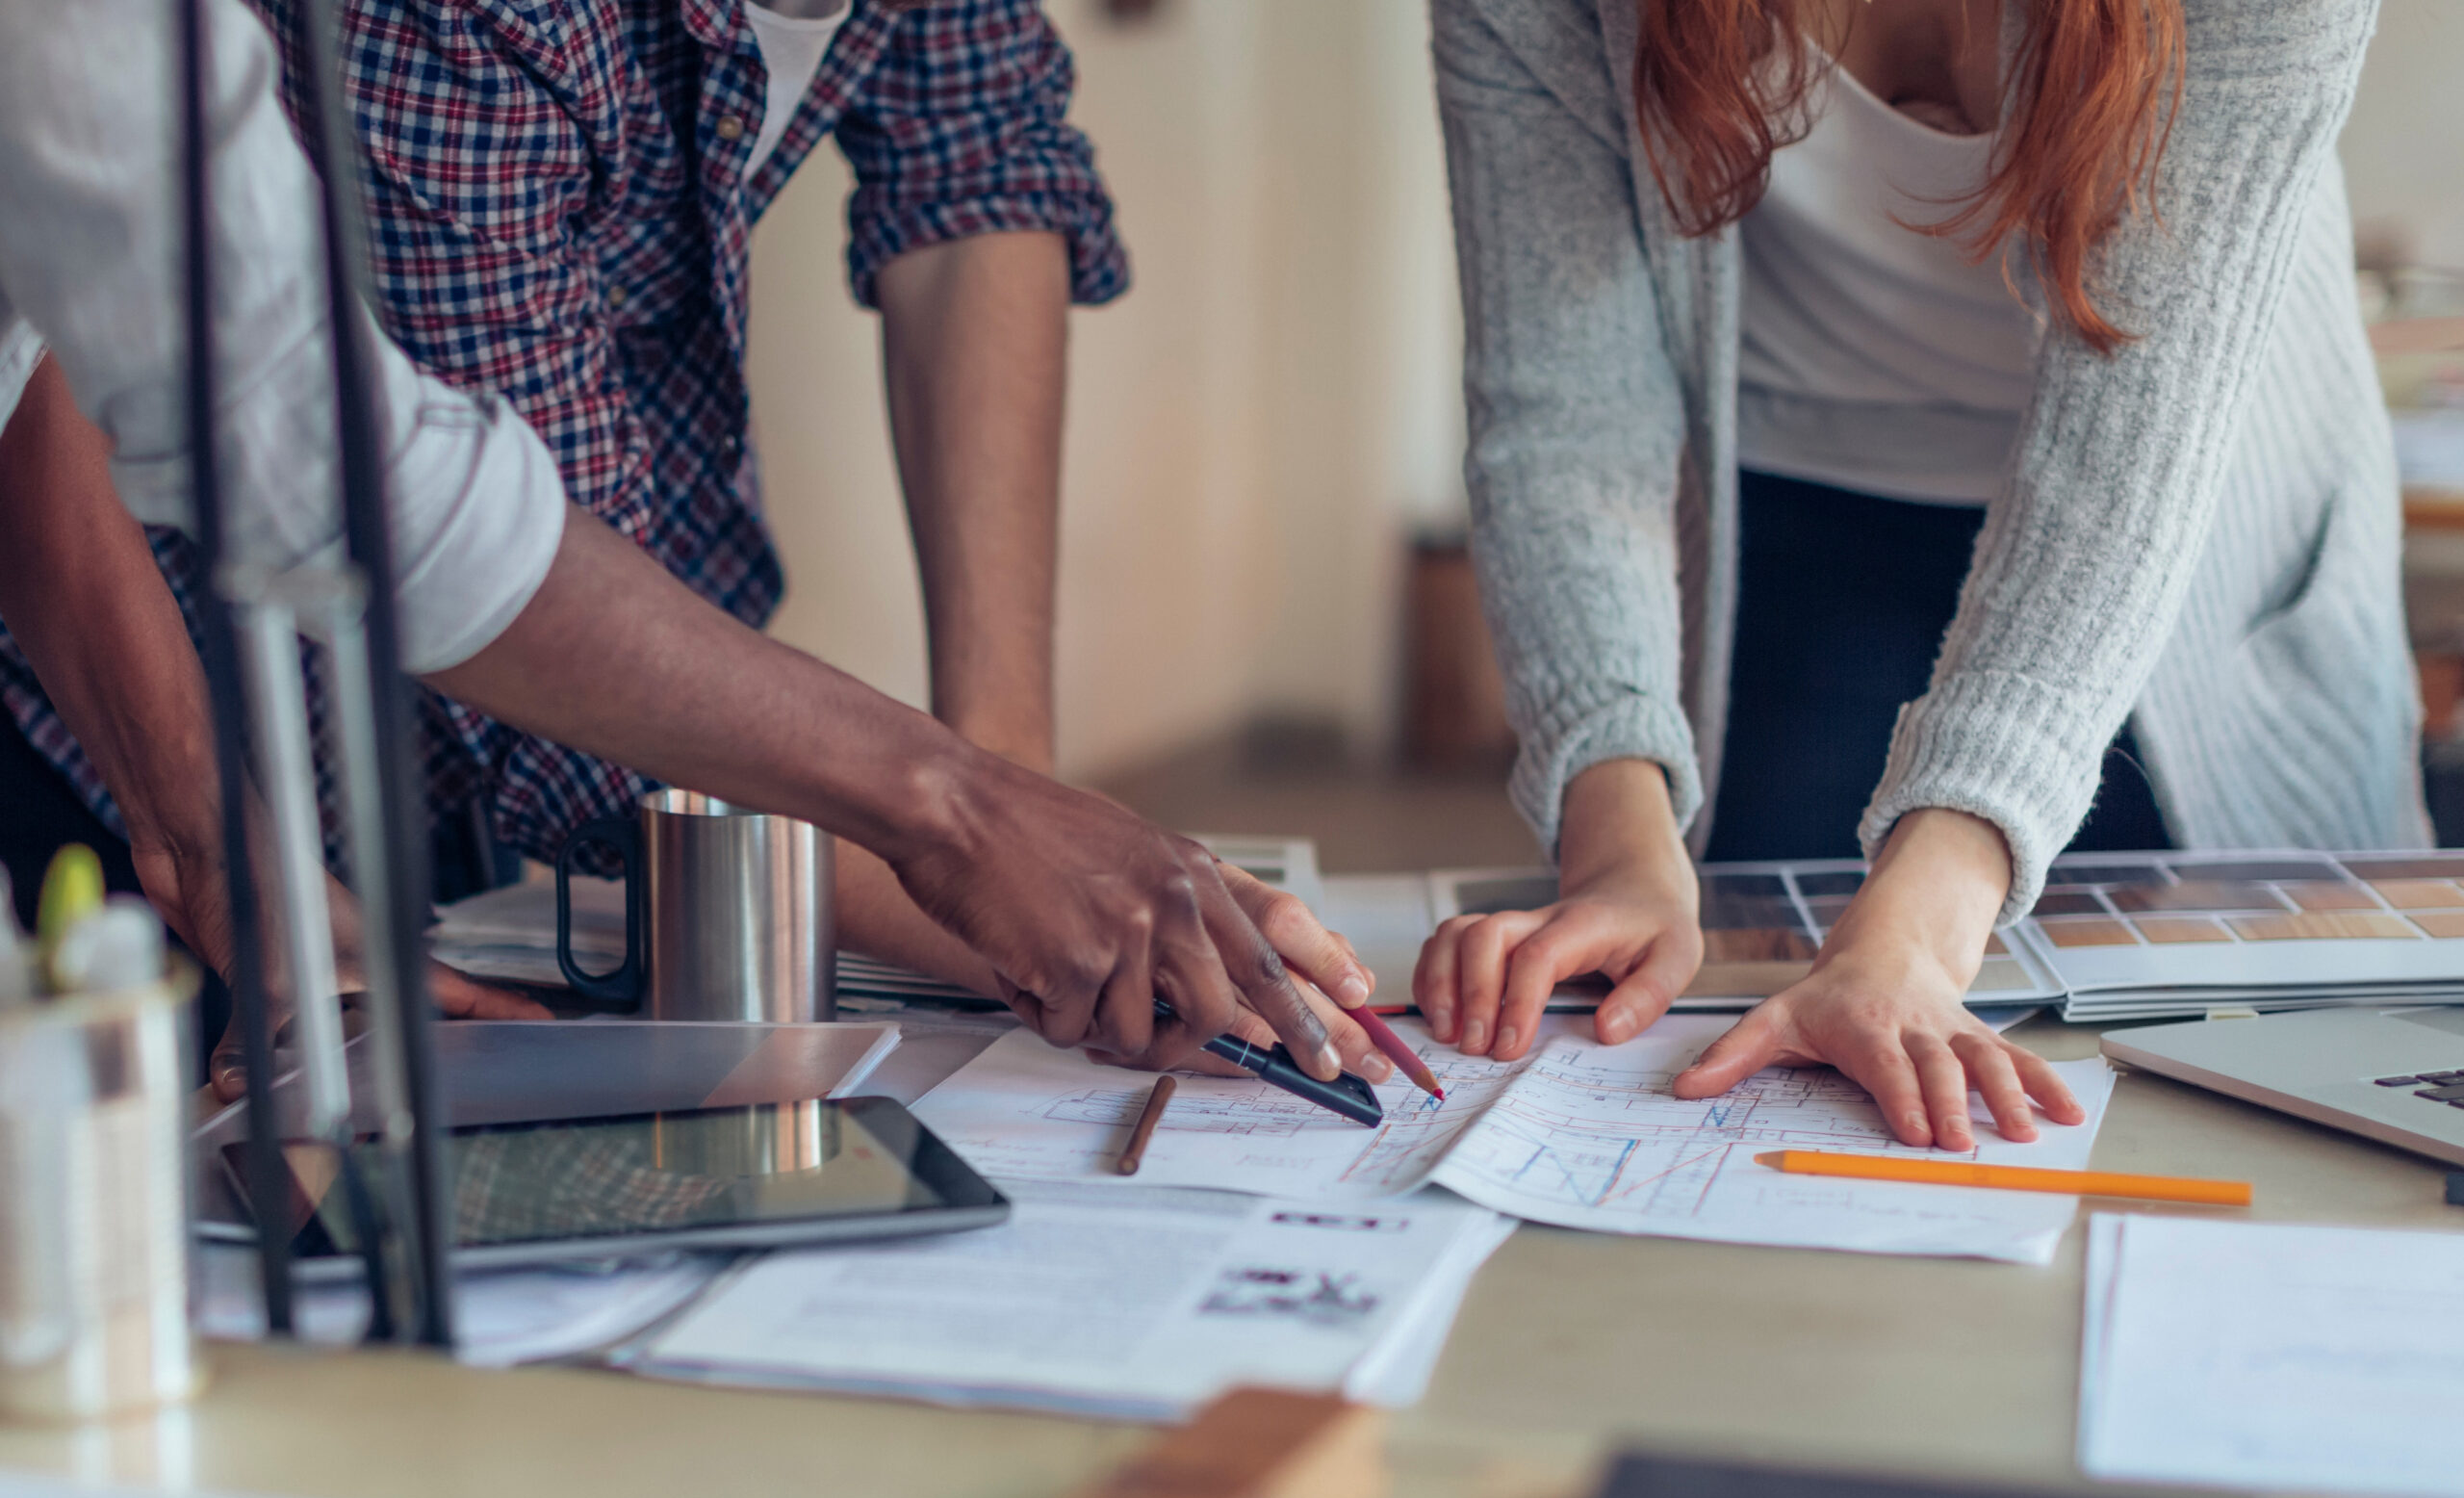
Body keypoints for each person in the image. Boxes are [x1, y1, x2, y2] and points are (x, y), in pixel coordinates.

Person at [0, 0, 1375, 1087]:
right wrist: (969, 825)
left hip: (379, 748)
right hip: (138, 707)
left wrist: (1021, 803)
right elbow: (343, 472)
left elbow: (977, 154)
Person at [1417, 0, 2426, 1150]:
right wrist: (1616, 844)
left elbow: (2129, 449)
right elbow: (1568, 412)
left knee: (2269, 1094)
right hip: (1791, 539)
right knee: (1770, 1099)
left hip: (2181, 543)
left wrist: (1914, 930)